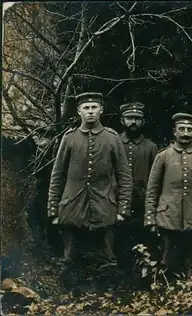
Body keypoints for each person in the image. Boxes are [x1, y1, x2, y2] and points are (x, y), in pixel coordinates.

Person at [47, 92, 132, 288]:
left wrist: (122, 209)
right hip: (72, 207)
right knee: (71, 258)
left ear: (101, 110)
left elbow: (124, 176)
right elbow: (57, 175)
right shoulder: (69, 139)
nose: (91, 111)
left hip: (104, 207)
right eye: (86, 108)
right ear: (79, 111)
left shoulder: (112, 138)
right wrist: (53, 209)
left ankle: (108, 297)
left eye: (94, 107)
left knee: (107, 258)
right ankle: (70, 298)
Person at [144, 113, 192, 279]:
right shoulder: (163, 156)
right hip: (168, 218)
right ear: (174, 131)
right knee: (169, 262)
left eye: (189, 129)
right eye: (181, 129)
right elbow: (152, 190)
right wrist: (150, 218)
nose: (185, 133)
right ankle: (169, 294)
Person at [115, 102, 159, 274]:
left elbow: (156, 178)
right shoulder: (115, 142)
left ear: (143, 122)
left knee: (145, 241)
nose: (133, 122)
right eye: (129, 118)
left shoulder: (151, 147)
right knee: (118, 241)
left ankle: (144, 278)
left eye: (137, 119)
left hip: (142, 203)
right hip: (117, 201)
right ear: (122, 120)